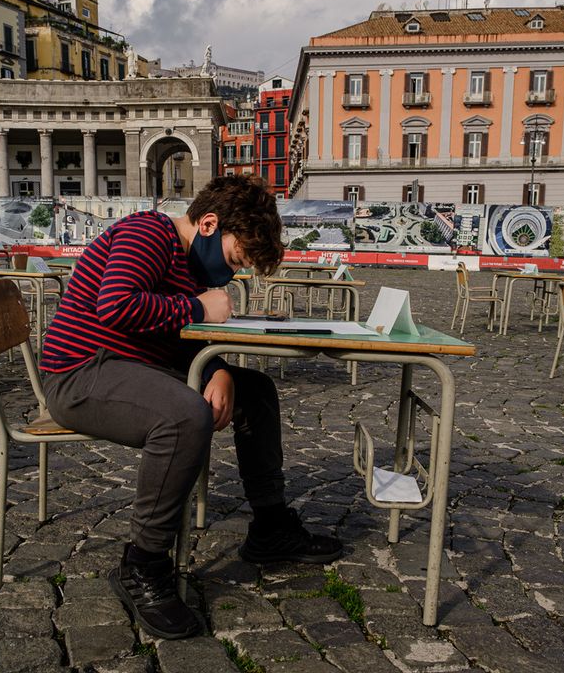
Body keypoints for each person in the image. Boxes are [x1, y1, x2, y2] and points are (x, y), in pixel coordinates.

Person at [40, 175, 341, 640]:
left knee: (254, 390)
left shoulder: (187, 265)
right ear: (208, 224)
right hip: (81, 373)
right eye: (234, 259)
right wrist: (199, 310)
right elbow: (117, 307)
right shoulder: (148, 232)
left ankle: (271, 525)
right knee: (184, 416)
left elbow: (167, 336)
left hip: (131, 365)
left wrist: (218, 367)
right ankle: (143, 563)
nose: (229, 275)